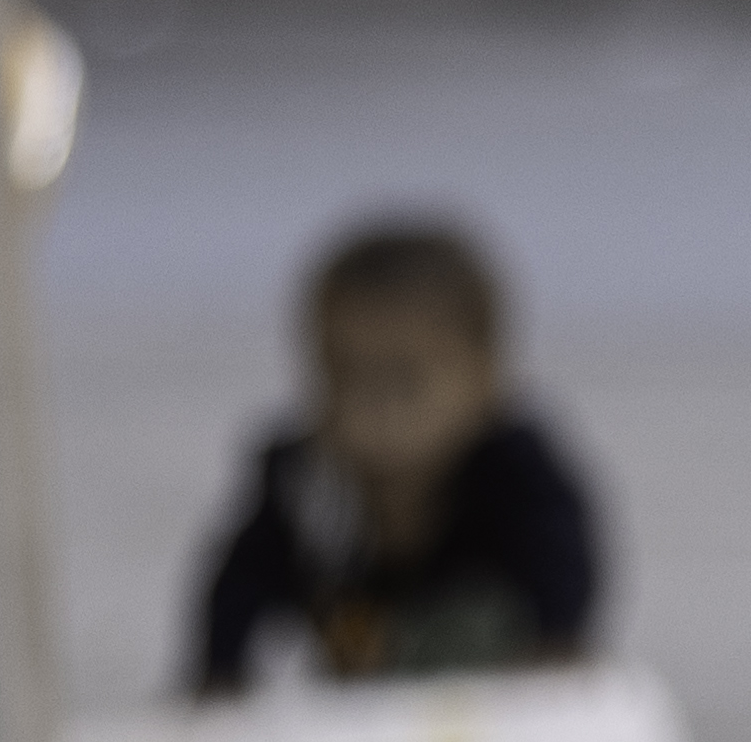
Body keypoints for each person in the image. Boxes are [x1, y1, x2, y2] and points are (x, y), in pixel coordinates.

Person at [187, 218, 610, 698]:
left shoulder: (516, 476)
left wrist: (558, 647)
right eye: (346, 376)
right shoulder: (305, 481)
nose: (376, 407)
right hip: (361, 711)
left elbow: (566, 568)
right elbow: (239, 585)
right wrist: (219, 673)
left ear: (486, 378)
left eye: (405, 379)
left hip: (496, 707)